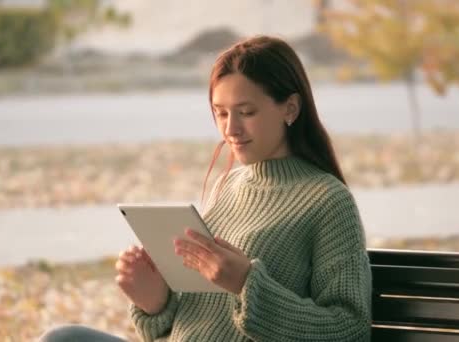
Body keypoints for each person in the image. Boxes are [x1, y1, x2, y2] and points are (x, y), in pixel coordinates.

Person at [39, 35, 372, 342]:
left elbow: (349, 329)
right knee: (62, 338)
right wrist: (156, 303)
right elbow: (196, 321)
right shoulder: (227, 187)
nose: (231, 129)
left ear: (290, 108)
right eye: (220, 112)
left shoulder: (328, 202)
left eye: (246, 112)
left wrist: (247, 284)